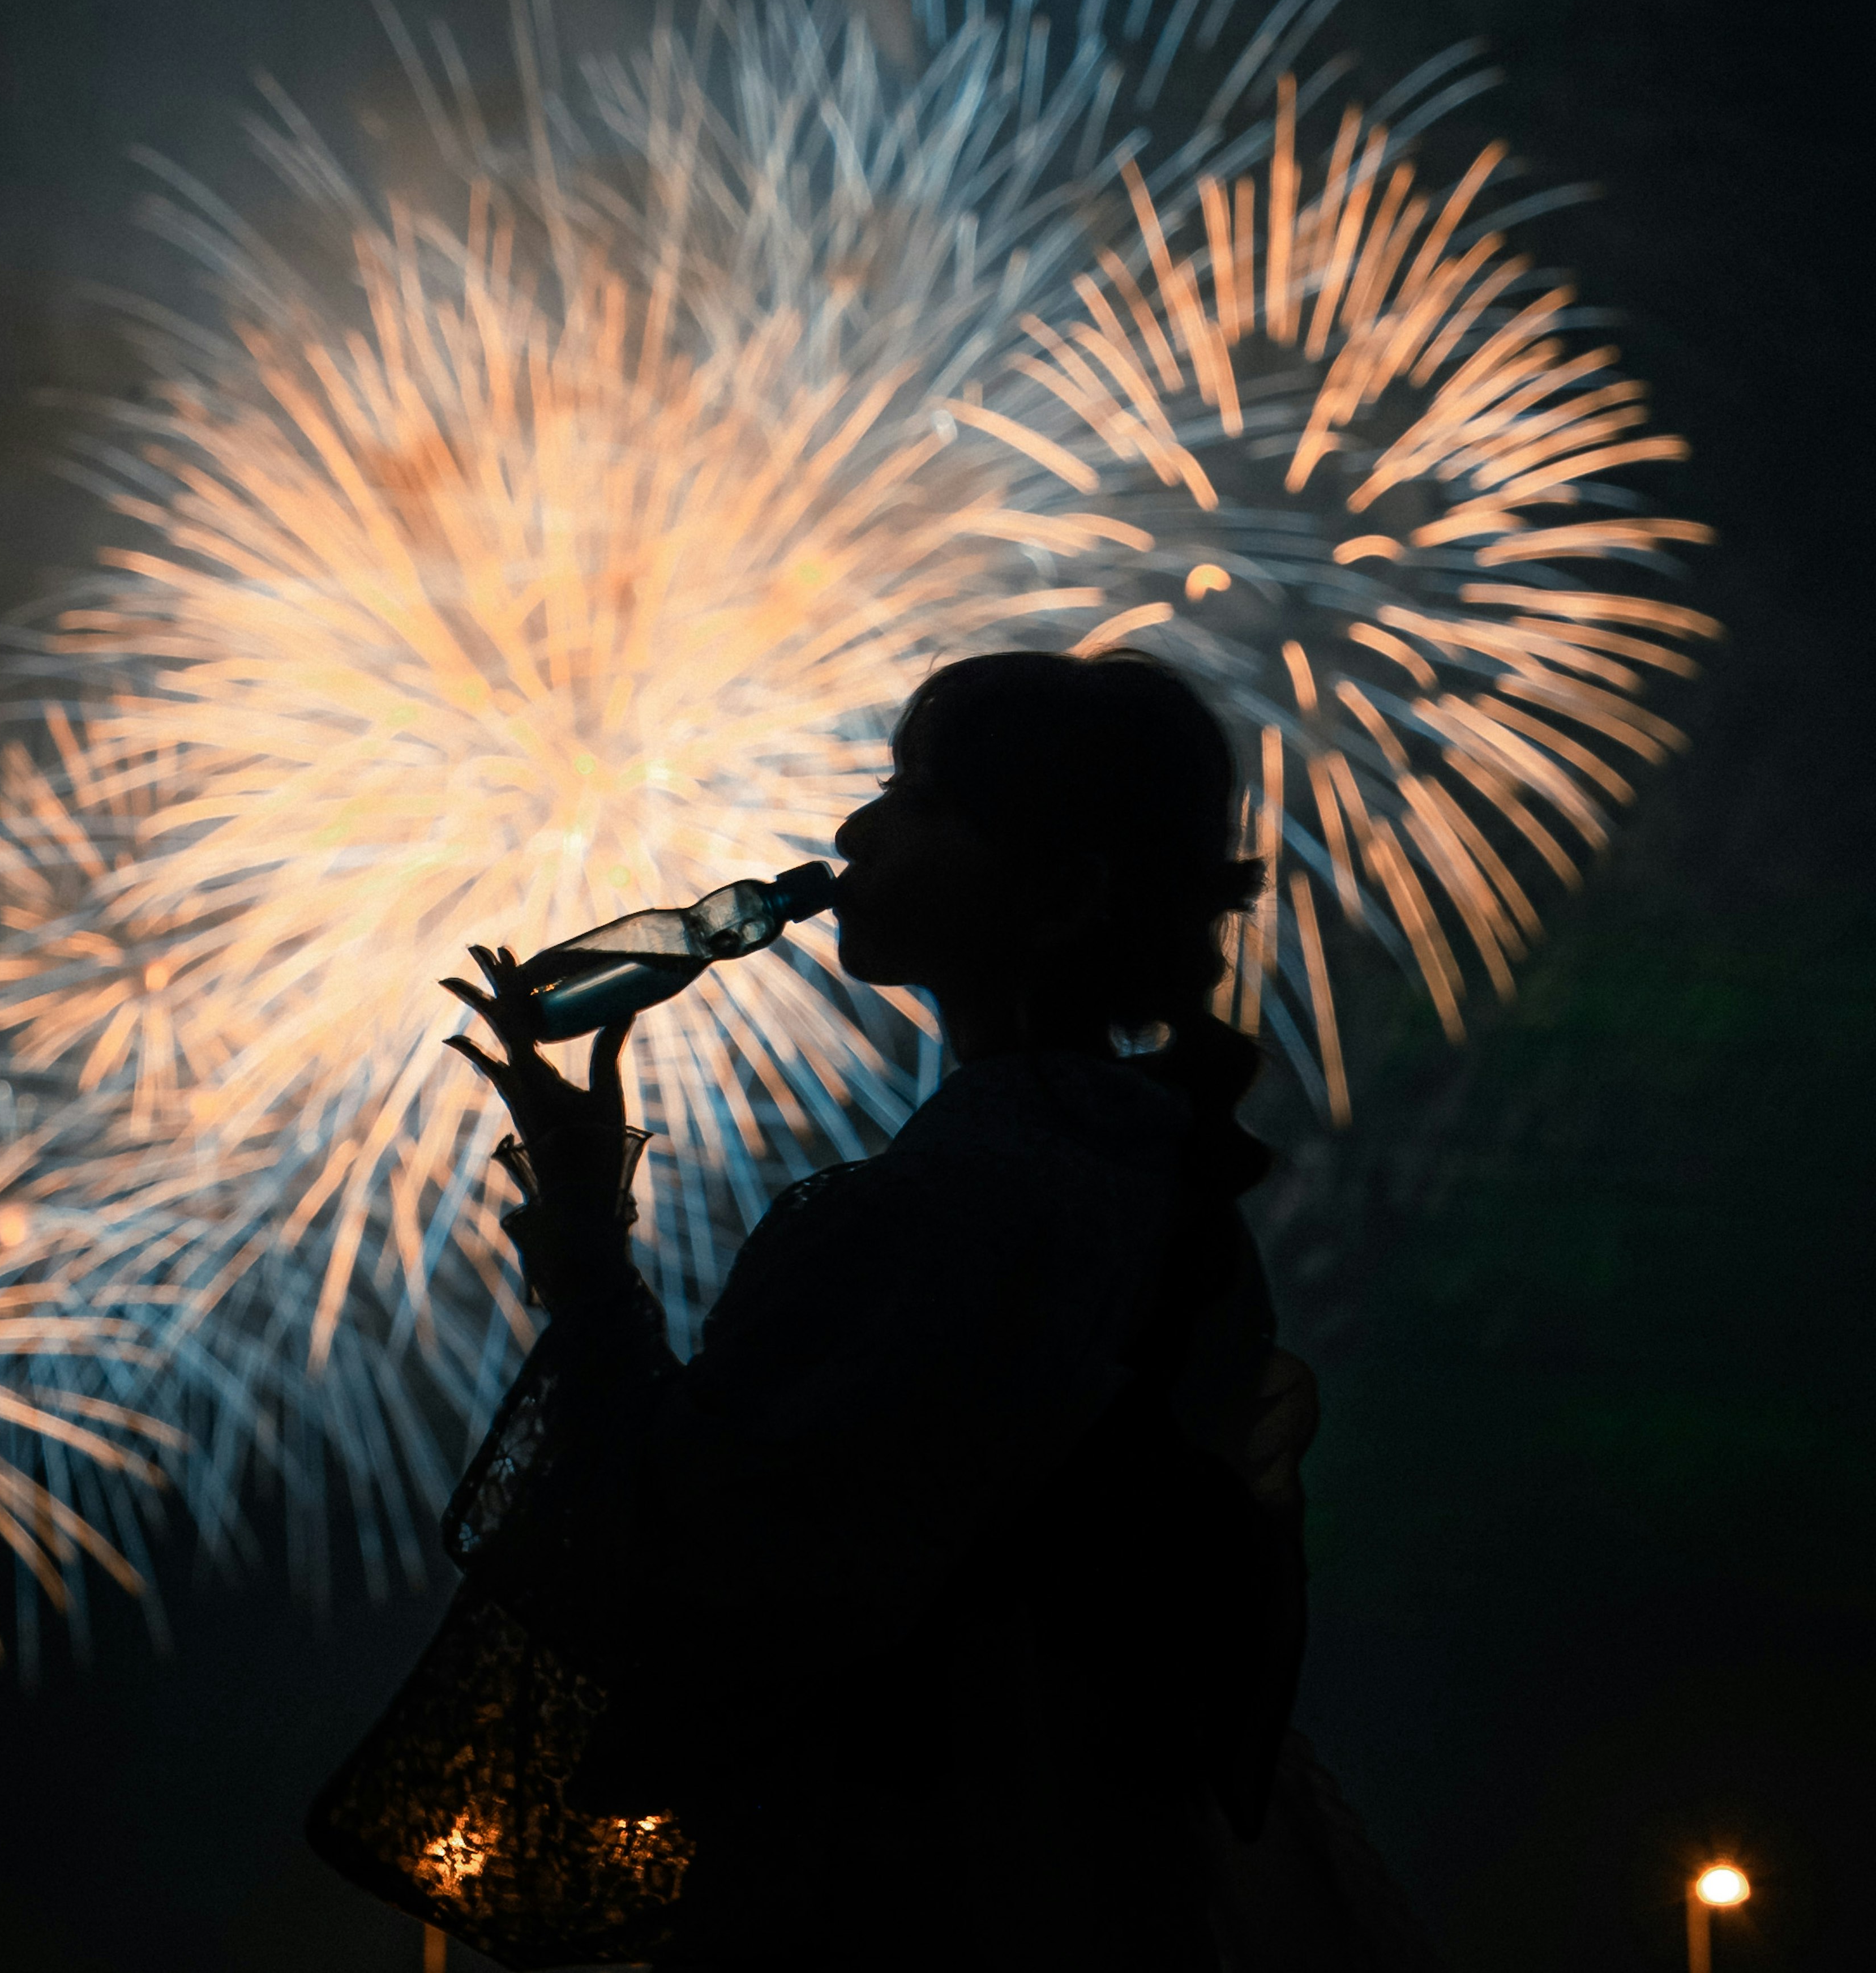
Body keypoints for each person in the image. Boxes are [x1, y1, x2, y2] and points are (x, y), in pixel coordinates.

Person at [309, 650, 1438, 1970]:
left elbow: (679, 1561)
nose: (854, 829)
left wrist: (582, 1244)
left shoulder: (926, 1218)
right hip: (1113, 1889)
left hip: (901, 1898)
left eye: (920, 798)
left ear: (1058, 893)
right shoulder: (1162, 1202)